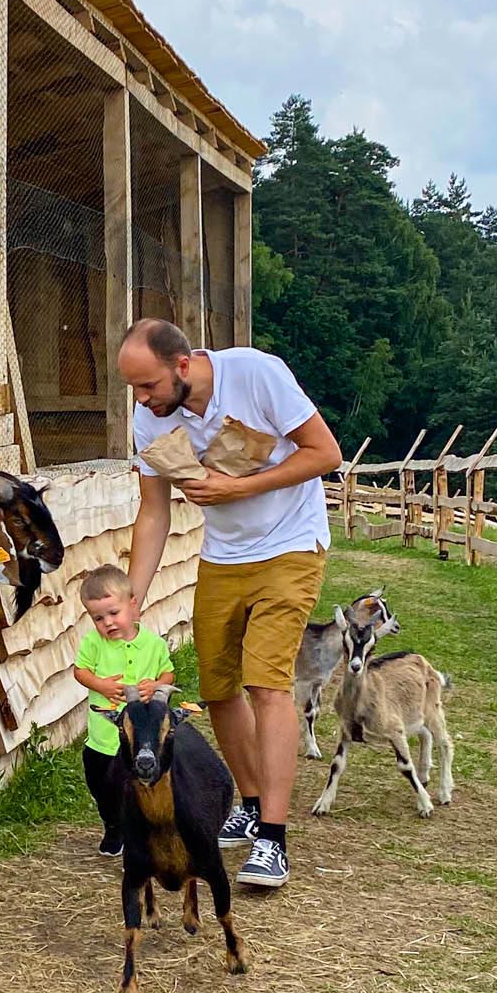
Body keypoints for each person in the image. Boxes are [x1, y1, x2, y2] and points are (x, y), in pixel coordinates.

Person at [119, 320, 343, 892]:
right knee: (218, 687)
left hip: (291, 543)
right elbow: (154, 512)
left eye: (148, 386)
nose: (142, 401)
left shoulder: (256, 373)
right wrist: (132, 597)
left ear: (183, 365)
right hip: (224, 555)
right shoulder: (153, 417)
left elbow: (325, 454)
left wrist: (238, 488)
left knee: (266, 682)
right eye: (135, 390)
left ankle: (273, 836)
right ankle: (248, 801)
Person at [72, 563, 178, 857]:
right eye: (98, 618)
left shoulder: (153, 645)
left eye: (113, 613)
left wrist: (154, 686)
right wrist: (101, 685)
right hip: (101, 738)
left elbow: (168, 676)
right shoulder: (94, 643)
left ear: (133, 605)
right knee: (99, 785)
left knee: (133, 785)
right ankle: (112, 823)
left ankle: (138, 828)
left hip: (136, 741)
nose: (107, 623)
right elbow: (80, 672)